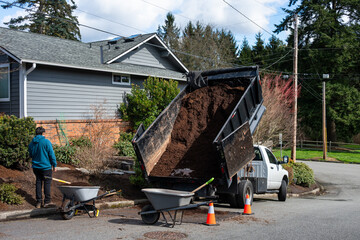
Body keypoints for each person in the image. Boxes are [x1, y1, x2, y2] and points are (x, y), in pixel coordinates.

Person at [28, 127, 57, 208]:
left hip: (36, 167)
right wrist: (54, 165)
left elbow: (30, 155)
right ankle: (47, 201)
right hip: (46, 167)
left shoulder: (31, 143)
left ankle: (38, 202)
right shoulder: (46, 142)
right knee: (47, 183)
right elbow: (51, 154)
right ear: (43, 133)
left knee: (38, 182)